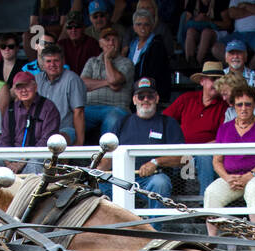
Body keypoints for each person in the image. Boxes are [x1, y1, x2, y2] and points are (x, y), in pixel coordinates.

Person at [100, 78, 184, 219]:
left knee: (160, 182)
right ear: (134, 100)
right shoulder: (122, 122)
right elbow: (109, 155)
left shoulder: (168, 123)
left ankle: (153, 235)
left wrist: (156, 162)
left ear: (156, 99)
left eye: (150, 96)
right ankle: (119, 229)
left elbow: (182, 158)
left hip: (152, 179)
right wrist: (98, 171)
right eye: (141, 96)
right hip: (122, 179)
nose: (145, 100)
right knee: (101, 181)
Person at [204, 84, 255, 234]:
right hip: (232, 179)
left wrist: (250, 176)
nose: (243, 108)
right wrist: (227, 178)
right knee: (211, 192)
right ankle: (211, 240)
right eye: (239, 104)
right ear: (233, 106)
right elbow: (217, 161)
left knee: (254, 187)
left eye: (248, 104)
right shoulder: (224, 128)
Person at [164, 61, 231, 190]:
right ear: (202, 81)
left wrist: (200, 149)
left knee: (203, 156)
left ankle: (205, 203)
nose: (216, 84)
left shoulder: (225, 106)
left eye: (220, 81)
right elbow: (165, 121)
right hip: (181, 152)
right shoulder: (187, 98)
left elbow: (224, 138)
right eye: (213, 79)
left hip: (208, 154)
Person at [0, 71, 61, 172]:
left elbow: (46, 141)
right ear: (14, 91)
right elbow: (3, 140)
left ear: (35, 87)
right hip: (12, 157)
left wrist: (22, 162)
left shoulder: (48, 108)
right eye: (19, 87)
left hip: (37, 156)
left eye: (27, 86)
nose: (23, 90)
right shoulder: (11, 109)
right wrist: (9, 163)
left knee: (34, 165)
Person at [82, 29, 135, 140]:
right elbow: (83, 84)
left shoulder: (127, 63)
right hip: (90, 107)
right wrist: (107, 82)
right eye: (107, 40)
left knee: (113, 119)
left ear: (119, 42)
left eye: (114, 40)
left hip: (116, 107)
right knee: (72, 117)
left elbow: (114, 80)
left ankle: (106, 157)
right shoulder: (92, 61)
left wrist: (107, 58)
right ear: (100, 43)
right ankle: (71, 156)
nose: (111, 43)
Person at [36, 43, 87, 145]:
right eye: (48, 61)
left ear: (63, 61)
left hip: (65, 129)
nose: (52, 65)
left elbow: (79, 112)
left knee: (56, 141)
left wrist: (79, 143)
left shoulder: (72, 79)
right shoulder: (37, 79)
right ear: (43, 64)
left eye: (56, 61)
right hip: (41, 130)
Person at [217, 0, 255, 69]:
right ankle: (239, 71)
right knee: (217, 48)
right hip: (238, 33)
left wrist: (245, 5)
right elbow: (232, 13)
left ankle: (248, 73)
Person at [129, 9, 173, 100]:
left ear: (152, 27)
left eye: (146, 24)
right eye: (139, 24)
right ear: (134, 27)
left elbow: (154, 74)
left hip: (149, 91)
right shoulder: (132, 44)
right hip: (133, 89)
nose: (142, 27)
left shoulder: (157, 45)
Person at [183, 0, 227, 71]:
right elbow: (186, 24)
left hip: (218, 32)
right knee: (190, 31)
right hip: (199, 32)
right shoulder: (193, 2)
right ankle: (190, 63)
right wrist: (196, 19)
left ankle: (198, 64)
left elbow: (227, 24)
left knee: (206, 32)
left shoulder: (219, 2)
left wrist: (209, 21)